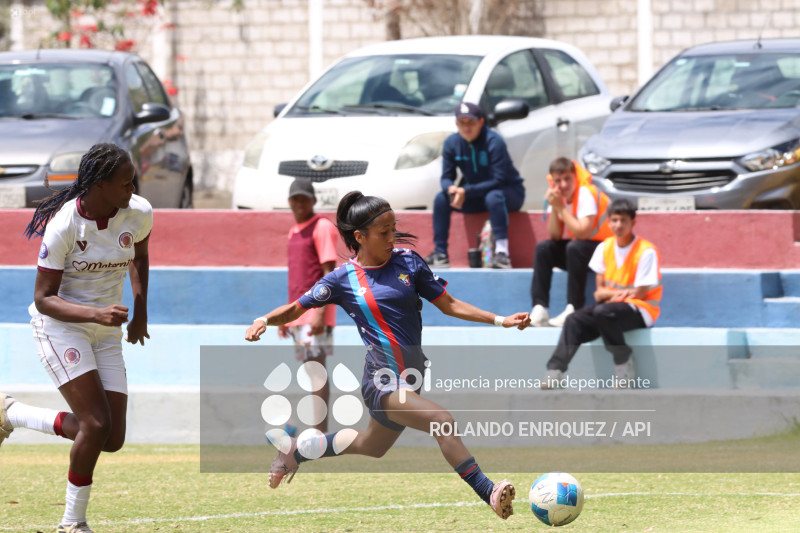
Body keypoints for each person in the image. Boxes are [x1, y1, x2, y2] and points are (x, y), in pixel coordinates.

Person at [246, 191, 531, 520]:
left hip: (412, 377)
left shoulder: (409, 262)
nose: (392, 237)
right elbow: (297, 307)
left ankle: (295, 451)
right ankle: (489, 491)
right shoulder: (344, 279)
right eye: (384, 232)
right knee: (442, 421)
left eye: (394, 228)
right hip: (382, 381)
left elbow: (449, 304)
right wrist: (264, 319)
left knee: (373, 446)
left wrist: (500, 320)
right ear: (360, 237)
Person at [0, 143, 152, 533]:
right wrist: (96, 313)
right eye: (124, 182)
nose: (131, 189)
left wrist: (140, 310)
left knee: (112, 438)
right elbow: (43, 299)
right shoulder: (65, 225)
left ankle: (11, 413)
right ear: (99, 185)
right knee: (96, 425)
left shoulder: (139, 212)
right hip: (61, 326)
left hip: (107, 332)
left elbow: (140, 256)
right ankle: (72, 523)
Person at [542, 199, 662, 389]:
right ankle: (554, 370)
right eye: (614, 220)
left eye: (623, 220)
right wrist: (618, 294)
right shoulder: (604, 248)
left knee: (603, 312)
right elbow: (599, 294)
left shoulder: (646, 251)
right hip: (609, 310)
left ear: (633, 222)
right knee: (574, 320)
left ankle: (623, 362)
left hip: (641, 310)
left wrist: (611, 295)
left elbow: (640, 293)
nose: (618, 225)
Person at [425, 102, 525, 269]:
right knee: (441, 199)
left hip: (509, 193)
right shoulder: (452, 142)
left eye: (471, 122)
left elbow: (498, 180)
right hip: (476, 195)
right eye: (461, 123)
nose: (466, 128)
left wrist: (465, 190)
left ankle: (502, 254)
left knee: (493, 196)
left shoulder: (494, 141)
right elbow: (446, 177)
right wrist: (451, 189)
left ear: (481, 122)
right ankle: (440, 253)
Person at [278, 178, 339, 433]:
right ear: (289, 202)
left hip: (315, 314)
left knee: (317, 371)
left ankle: (319, 432)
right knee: (310, 371)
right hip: (298, 315)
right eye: (295, 199)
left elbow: (329, 273)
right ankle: (317, 430)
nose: (299, 203)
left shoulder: (322, 226)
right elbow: (297, 277)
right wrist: (286, 317)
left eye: (305, 198)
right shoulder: (294, 231)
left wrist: (321, 313)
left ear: (314, 200)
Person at [530, 157, 613, 327]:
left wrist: (560, 208)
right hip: (583, 253)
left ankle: (574, 307)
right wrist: (555, 208)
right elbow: (555, 235)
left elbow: (583, 232)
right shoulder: (558, 196)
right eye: (558, 180)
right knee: (544, 247)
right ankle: (540, 307)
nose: (563, 185)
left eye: (567, 179)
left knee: (575, 247)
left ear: (575, 177)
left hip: (607, 254)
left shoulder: (585, 193)